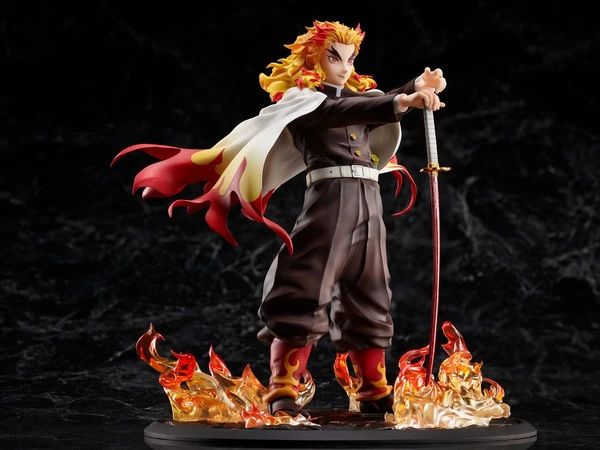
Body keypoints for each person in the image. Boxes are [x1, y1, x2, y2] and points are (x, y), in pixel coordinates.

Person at [112, 20, 446, 417]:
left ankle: (373, 390)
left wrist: (413, 87)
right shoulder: (302, 102)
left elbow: (368, 107)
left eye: (350, 59)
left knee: (370, 292)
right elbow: (337, 111)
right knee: (304, 287)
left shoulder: (356, 100)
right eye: (334, 58)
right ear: (313, 60)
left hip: (369, 203)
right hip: (331, 202)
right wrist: (403, 101)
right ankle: (283, 390)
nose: (344, 67)